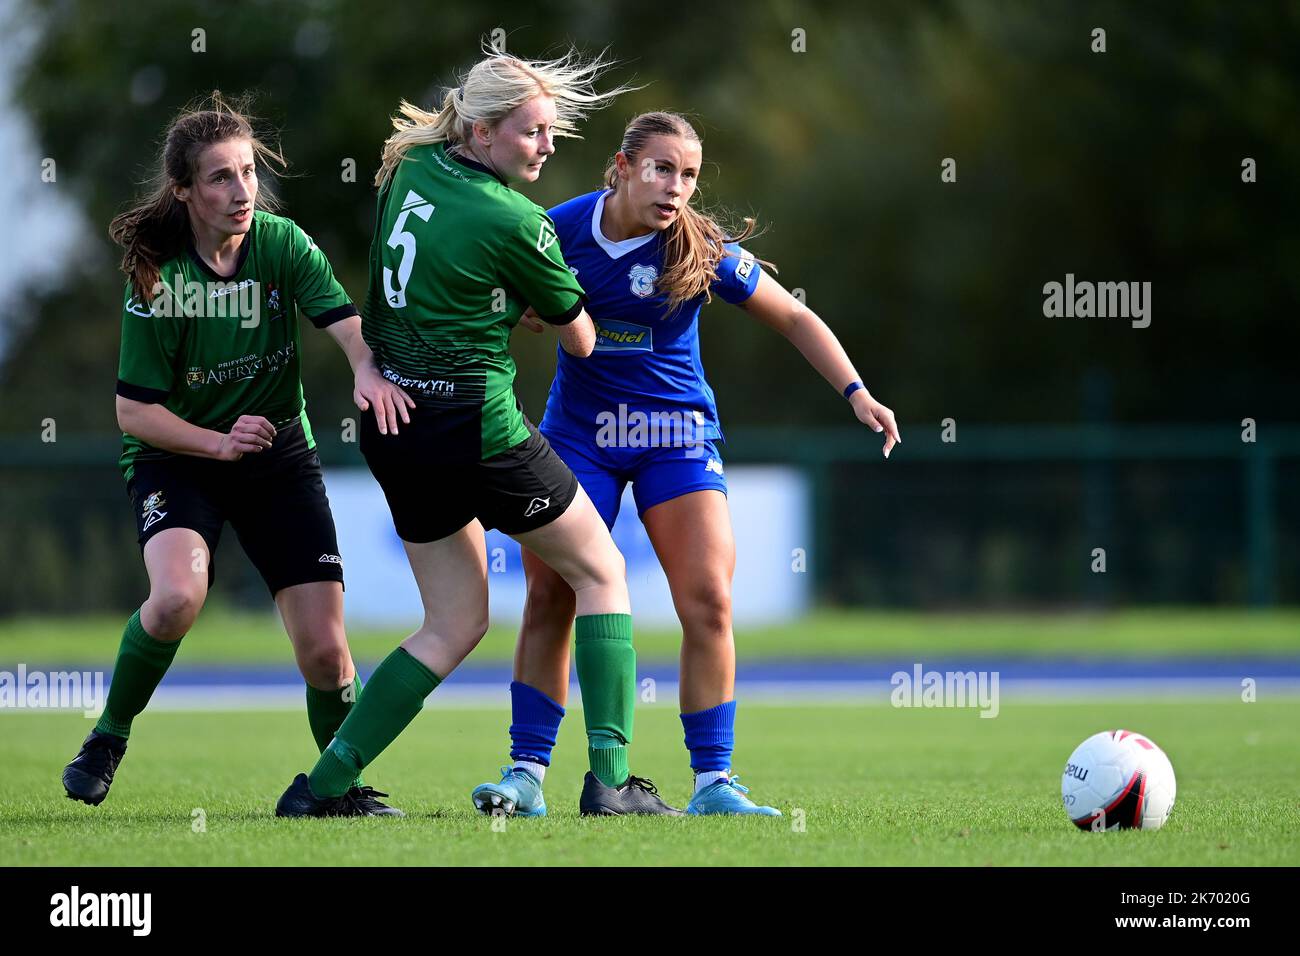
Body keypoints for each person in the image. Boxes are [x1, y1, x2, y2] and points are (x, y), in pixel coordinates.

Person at [276, 50, 679, 817]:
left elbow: (445, 281)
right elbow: (581, 339)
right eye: (533, 132)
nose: (548, 146)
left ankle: (322, 787)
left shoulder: (414, 166)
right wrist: (534, 304)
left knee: (455, 622)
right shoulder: (516, 220)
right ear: (484, 132)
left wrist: (500, 301)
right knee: (600, 574)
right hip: (477, 430)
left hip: (395, 424)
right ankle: (611, 783)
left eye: (551, 132)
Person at [471, 111, 901, 816]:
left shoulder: (698, 246)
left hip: (675, 435)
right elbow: (499, 303)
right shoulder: (557, 230)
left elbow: (792, 315)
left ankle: (713, 785)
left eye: (690, 175)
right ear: (622, 165)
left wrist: (857, 392)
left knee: (709, 601)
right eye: (662, 168)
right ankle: (525, 774)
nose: (677, 187)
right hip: (580, 436)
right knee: (550, 595)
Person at [61, 93, 412, 815]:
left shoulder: (280, 243)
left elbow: (343, 320)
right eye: (220, 177)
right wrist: (217, 444)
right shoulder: (159, 279)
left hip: (279, 456)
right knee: (175, 602)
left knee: (326, 654)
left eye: (248, 171)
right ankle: (108, 734)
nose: (241, 190)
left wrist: (365, 369)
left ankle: (334, 790)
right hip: (180, 459)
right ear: (185, 191)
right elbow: (134, 411)